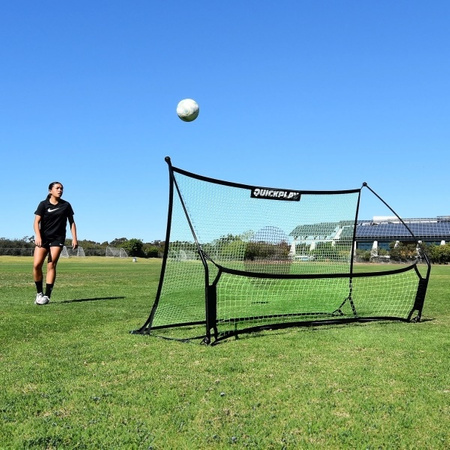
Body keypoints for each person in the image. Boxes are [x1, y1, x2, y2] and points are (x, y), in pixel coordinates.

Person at [33, 182, 78, 305]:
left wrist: (74, 238)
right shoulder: (43, 204)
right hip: (43, 238)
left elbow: (72, 223)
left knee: (51, 264)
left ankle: (47, 295)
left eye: (61, 188)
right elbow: (36, 222)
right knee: (37, 265)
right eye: (57, 188)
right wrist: (38, 236)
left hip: (58, 239)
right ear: (50, 191)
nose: (60, 190)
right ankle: (39, 293)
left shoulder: (66, 205)